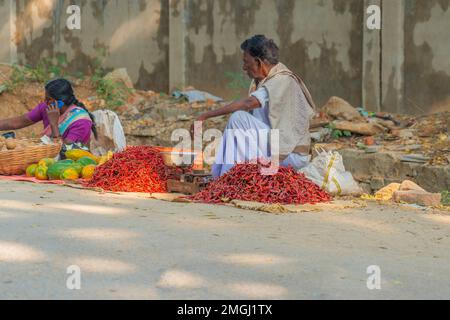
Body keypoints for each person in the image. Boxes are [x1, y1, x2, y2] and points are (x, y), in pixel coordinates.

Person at [193, 35, 316, 178]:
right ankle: (218, 177)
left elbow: (247, 103)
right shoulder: (262, 81)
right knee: (234, 131)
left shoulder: (282, 80)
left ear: (258, 62)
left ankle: (226, 179)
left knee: (238, 118)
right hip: (273, 146)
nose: (244, 67)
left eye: (246, 62)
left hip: (291, 155)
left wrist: (204, 116)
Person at [0, 78, 97, 147]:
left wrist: (54, 124)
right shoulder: (46, 107)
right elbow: (16, 123)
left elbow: (65, 152)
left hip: (70, 167)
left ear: (60, 102)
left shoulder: (81, 121)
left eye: (48, 99)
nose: (45, 102)